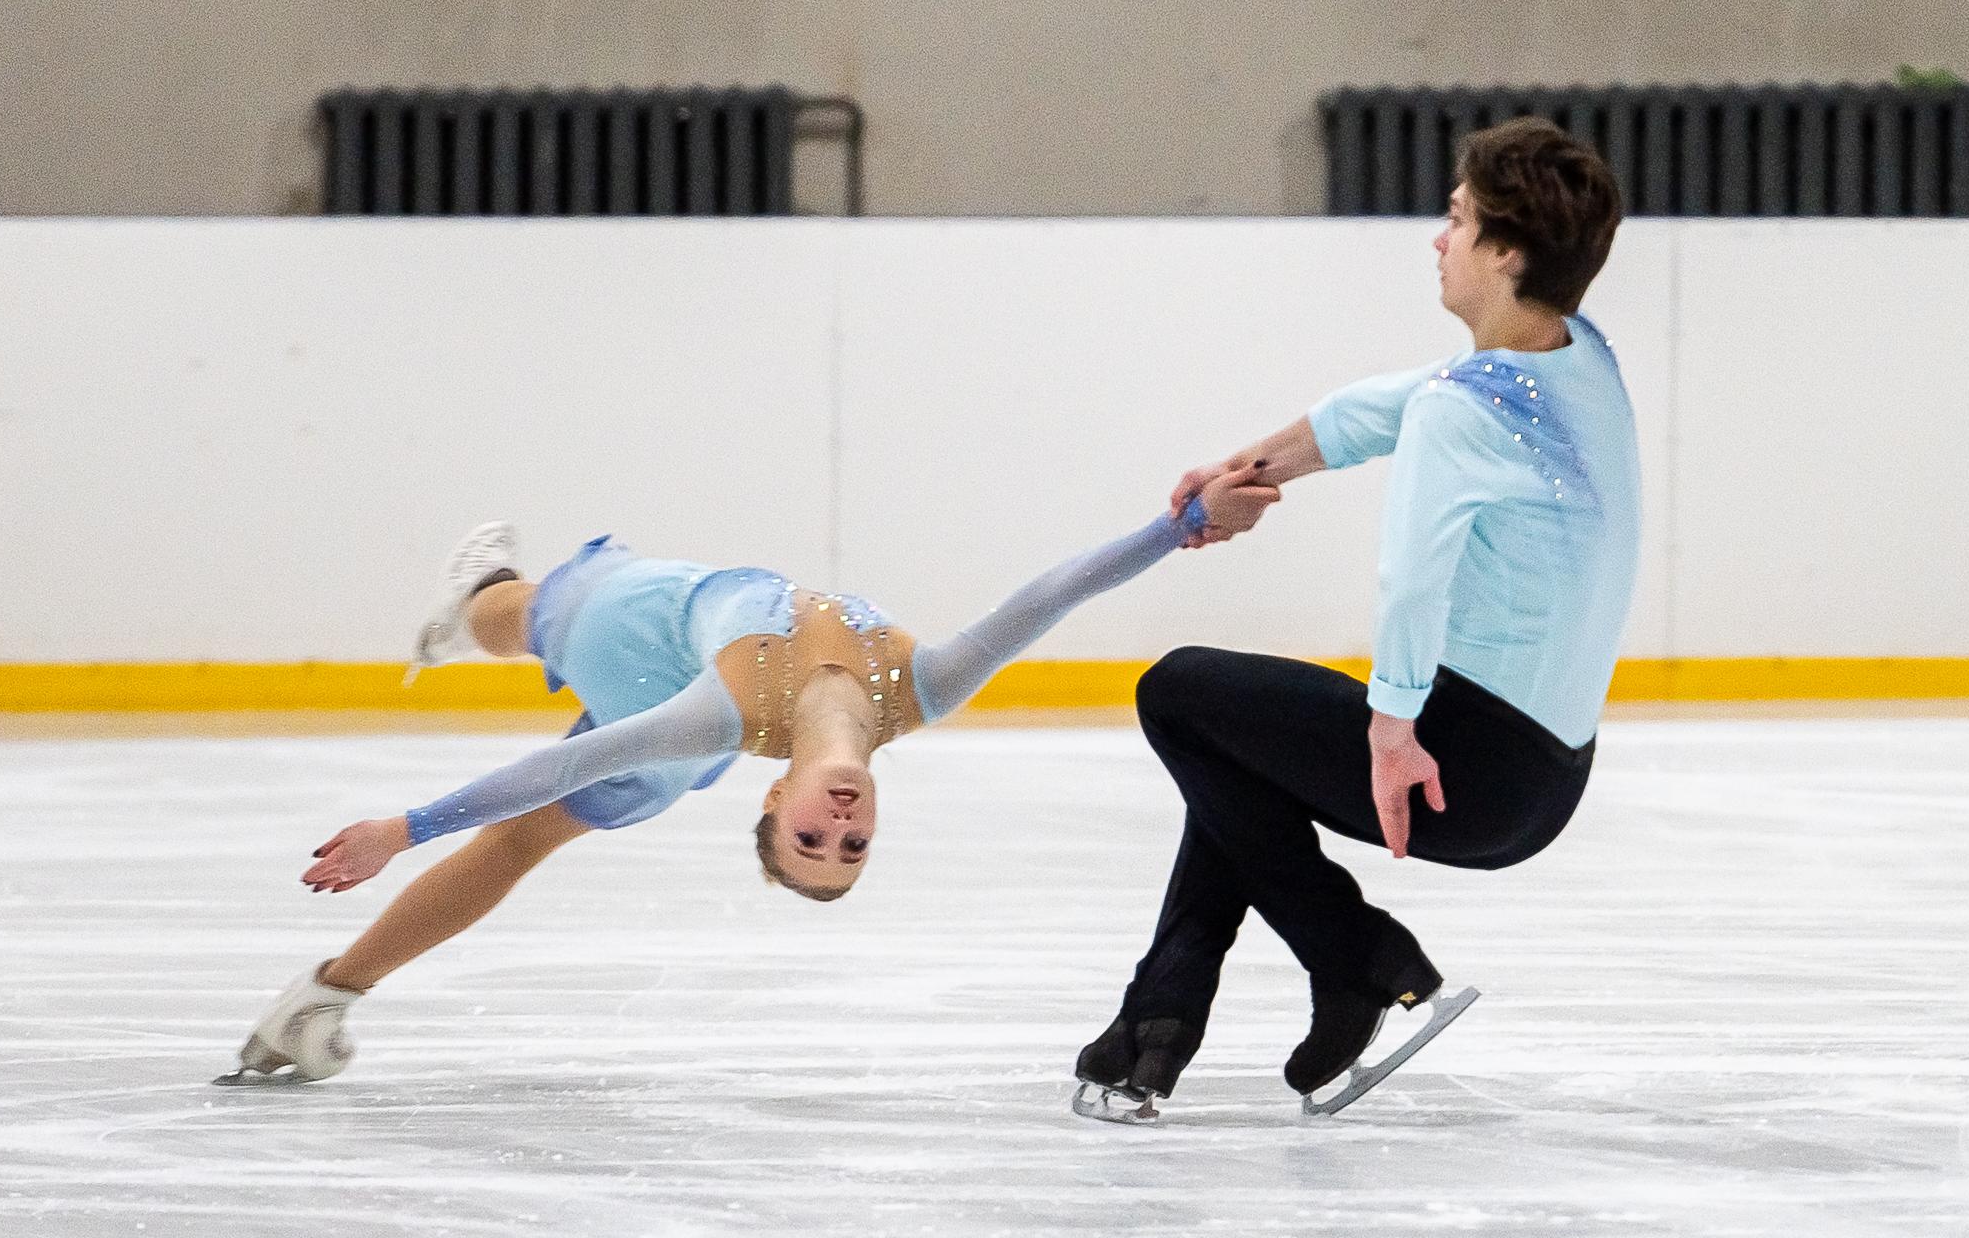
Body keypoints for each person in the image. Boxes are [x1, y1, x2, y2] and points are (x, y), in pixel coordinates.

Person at [221, 467, 1279, 1084]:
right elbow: (1050, 596)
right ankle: (481, 604)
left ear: (773, 800)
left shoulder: (718, 718)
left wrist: (402, 826)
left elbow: (567, 755)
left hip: (651, 638)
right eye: (853, 847)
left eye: (810, 842)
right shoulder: (924, 687)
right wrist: (1182, 524)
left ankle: (320, 996)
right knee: (542, 659)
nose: (838, 826)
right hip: (683, 635)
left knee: (557, 676)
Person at [1072, 116, 1637, 1122]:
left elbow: (1411, 579)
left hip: (1471, 768)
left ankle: (1365, 958)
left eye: (1457, 220)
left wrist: (1391, 728)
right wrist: (1244, 470)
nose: (1438, 237)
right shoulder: (1578, 360)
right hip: (1551, 774)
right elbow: (1389, 403)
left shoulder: (1463, 413)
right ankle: (1155, 1027)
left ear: (1504, 253)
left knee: (1179, 693)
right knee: (1241, 752)